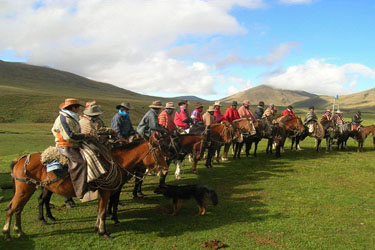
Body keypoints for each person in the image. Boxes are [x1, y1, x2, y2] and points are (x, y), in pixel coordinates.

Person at [51, 98, 90, 199]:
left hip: (74, 144)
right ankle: (80, 191)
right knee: (80, 163)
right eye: (77, 107)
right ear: (72, 108)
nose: (78, 109)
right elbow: (70, 136)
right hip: (66, 145)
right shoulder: (64, 118)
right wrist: (85, 136)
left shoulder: (71, 117)